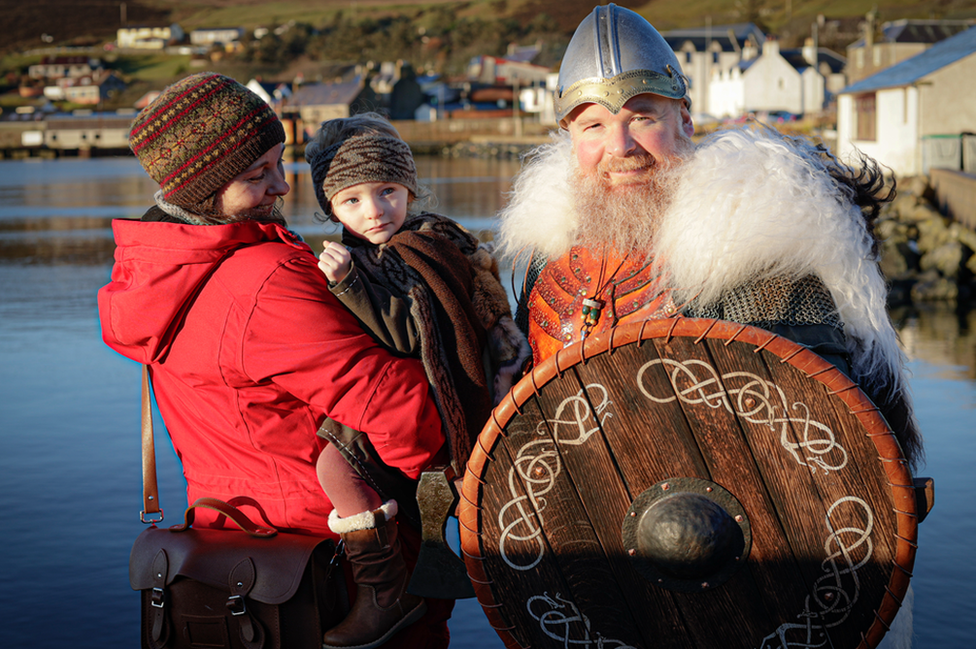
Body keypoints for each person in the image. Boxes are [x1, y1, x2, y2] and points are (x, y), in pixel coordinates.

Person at [498, 5, 921, 646]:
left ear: (684, 122)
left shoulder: (751, 252)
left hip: (749, 578)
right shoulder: (543, 262)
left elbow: (824, 442)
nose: (620, 148)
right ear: (568, 138)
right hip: (592, 573)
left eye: (643, 116)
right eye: (594, 125)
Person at [97, 72, 453, 649]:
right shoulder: (260, 280)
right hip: (332, 564)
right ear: (200, 190)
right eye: (254, 175)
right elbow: (394, 406)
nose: (281, 187)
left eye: (278, 163)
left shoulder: (155, 280)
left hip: (225, 554)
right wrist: (452, 465)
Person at [304, 115, 529, 646]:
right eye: (352, 200)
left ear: (409, 188)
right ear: (330, 208)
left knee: (334, 466)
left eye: (386, 191)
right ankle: (412, 580)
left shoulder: (419, 250)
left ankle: (387, 592)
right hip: (397, 400)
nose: (375, 210)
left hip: (428, 404)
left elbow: (414, 334)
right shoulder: (376, 251)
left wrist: (349, 285)